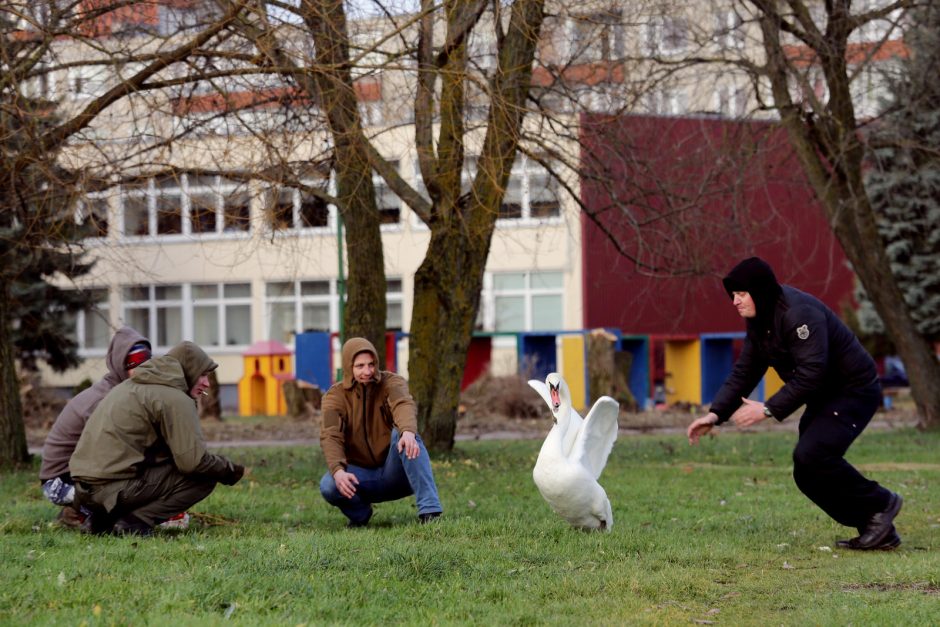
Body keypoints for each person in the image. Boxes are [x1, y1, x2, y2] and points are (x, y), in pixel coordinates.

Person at [687, 257, 903, 550]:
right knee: (806, 473)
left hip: (853, 390)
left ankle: (882, 502)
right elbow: (745, 370)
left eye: (741, 294)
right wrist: (714, 415)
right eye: (733, 295)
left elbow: (813, 372)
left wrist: (766, 409)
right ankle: (876, 526)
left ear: (759, 291)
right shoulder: (759, 320)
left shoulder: (799, 314)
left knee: (813, 454)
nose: (735, 302)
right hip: (825, 395)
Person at [70, 341, 245, 536]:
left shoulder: (129, 387)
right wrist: (228, 470)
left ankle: (102, 522)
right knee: (205, 476)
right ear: (188, 371)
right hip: (111, 489)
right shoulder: (175, 398)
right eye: (202, 374)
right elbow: (193, 462)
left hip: (83, 492)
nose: (206, 383)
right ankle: (135, 523)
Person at [319, 337, 443, 527]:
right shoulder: (334, 397)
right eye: (360, 366)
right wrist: (338, 471)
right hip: (361, 478)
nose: (367, 371)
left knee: (403, 435)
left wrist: (408, 432)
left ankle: (430, 512)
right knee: (328, 484)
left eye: (371, 364)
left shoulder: (392, 382)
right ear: (348, 366)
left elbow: (403, 404)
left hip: (397, 474)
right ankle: (360, 515)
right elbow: (330, 434)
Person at [39, 327, 152, 528]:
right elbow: (110, 453)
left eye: (148, 364)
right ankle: (76, 512)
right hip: (59, 482)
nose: (144, 371)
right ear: (120, 365)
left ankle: (81, 510)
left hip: (80, 472)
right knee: (127, 502)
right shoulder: (104, 400)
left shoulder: (126, 391)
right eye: (135, 364)